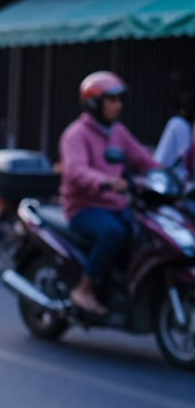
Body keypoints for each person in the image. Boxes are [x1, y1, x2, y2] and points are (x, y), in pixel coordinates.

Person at [59, 71, 155, 316]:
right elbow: (75, 171)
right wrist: (106, 182)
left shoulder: (117, 132)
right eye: (111, 100)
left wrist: (168, 175)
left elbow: (143, 159)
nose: (117, 106)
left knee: (144, 232)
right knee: (113, 233)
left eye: (119, 100)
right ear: (93, 103)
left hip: (116, 204)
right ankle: (84, 289)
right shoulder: (76, 134)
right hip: (83, 207)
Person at [154, 90, 194, 178]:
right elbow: (185, 157)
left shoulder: (175, 122)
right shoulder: (182, 125)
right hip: (167, 175)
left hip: (162, 171)